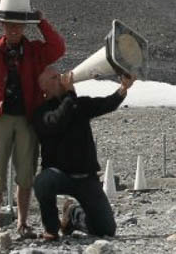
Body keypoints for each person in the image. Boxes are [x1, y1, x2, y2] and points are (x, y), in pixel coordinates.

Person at [0, 7, 65, 240]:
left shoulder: (34, 51)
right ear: (2, 26)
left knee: (26, 172)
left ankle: (22, 223)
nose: (13, 29)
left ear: (24, 27)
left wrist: (42, 22)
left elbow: (58, 48)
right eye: (9, 25)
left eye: (18, 25)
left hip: (27, 118)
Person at [32, 67, 136, 240]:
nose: (60, 78)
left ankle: (73, 215)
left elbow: (107, 103)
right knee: (43, 181)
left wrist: (123, 88)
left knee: (106, 230)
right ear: (44, 88)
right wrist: (70, 95)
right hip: (59, 175)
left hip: (86, 178)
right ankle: (51, 228)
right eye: (53, 77)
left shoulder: (77, 104)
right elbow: (58, 120)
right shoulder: (42, 113)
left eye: (59, 75)